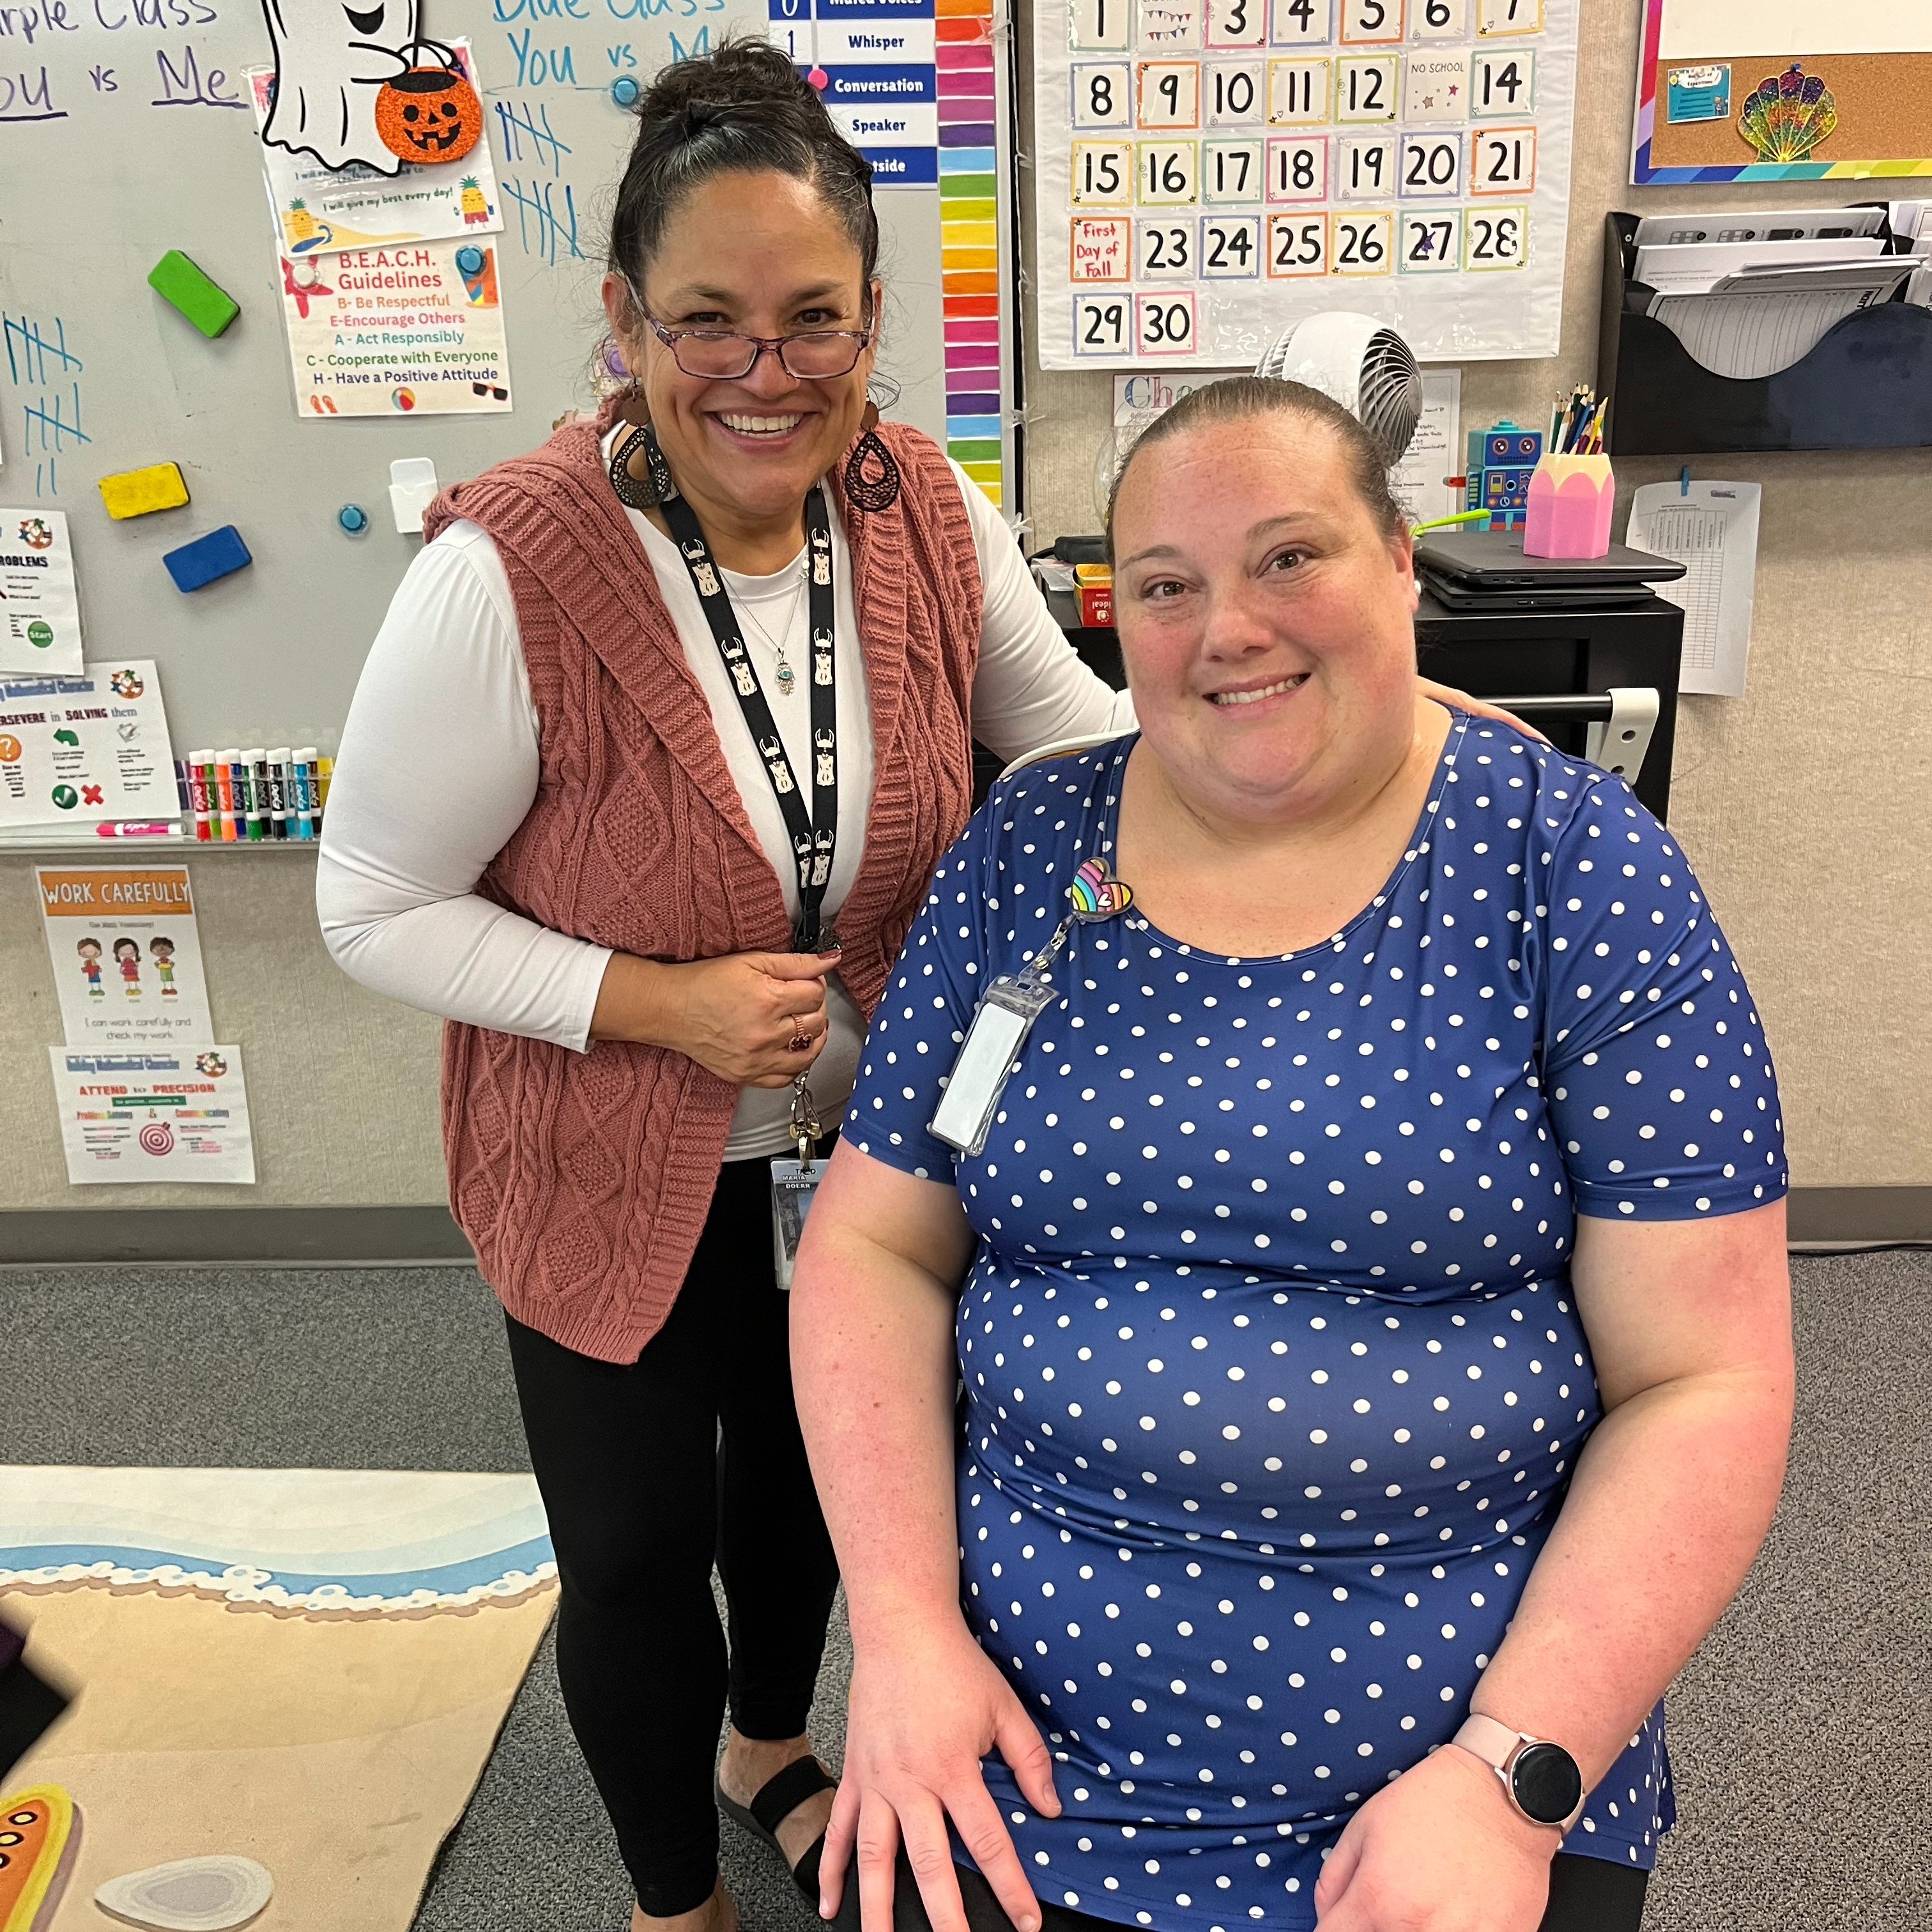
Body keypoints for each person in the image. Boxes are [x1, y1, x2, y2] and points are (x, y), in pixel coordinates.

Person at [318, 39, 1536, 1930]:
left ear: (874, 321)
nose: (765, 366)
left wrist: (1363, 698)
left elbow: (1079, 758)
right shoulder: (509, 573)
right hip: (611, 1152)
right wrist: (661, 1003)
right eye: (707, 317)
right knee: (638, 1549)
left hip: (872, 1148)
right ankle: (670, 1898)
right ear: (627, 322)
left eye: (813, 317)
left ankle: (763, 1748)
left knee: (822, 1497)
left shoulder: (917, 509)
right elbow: (370, 905)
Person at [789, 377, 1795, 1932]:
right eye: (1169, 586)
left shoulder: (1573, 872)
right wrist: (906, 1631)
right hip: (1008, 1746)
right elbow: (871, 1246)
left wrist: (1511, 1776)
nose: (1229, 629)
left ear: (1404, 564)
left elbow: (1708, 1380)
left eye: (1289, 558)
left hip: (1446, 1772)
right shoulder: (1028, 852)